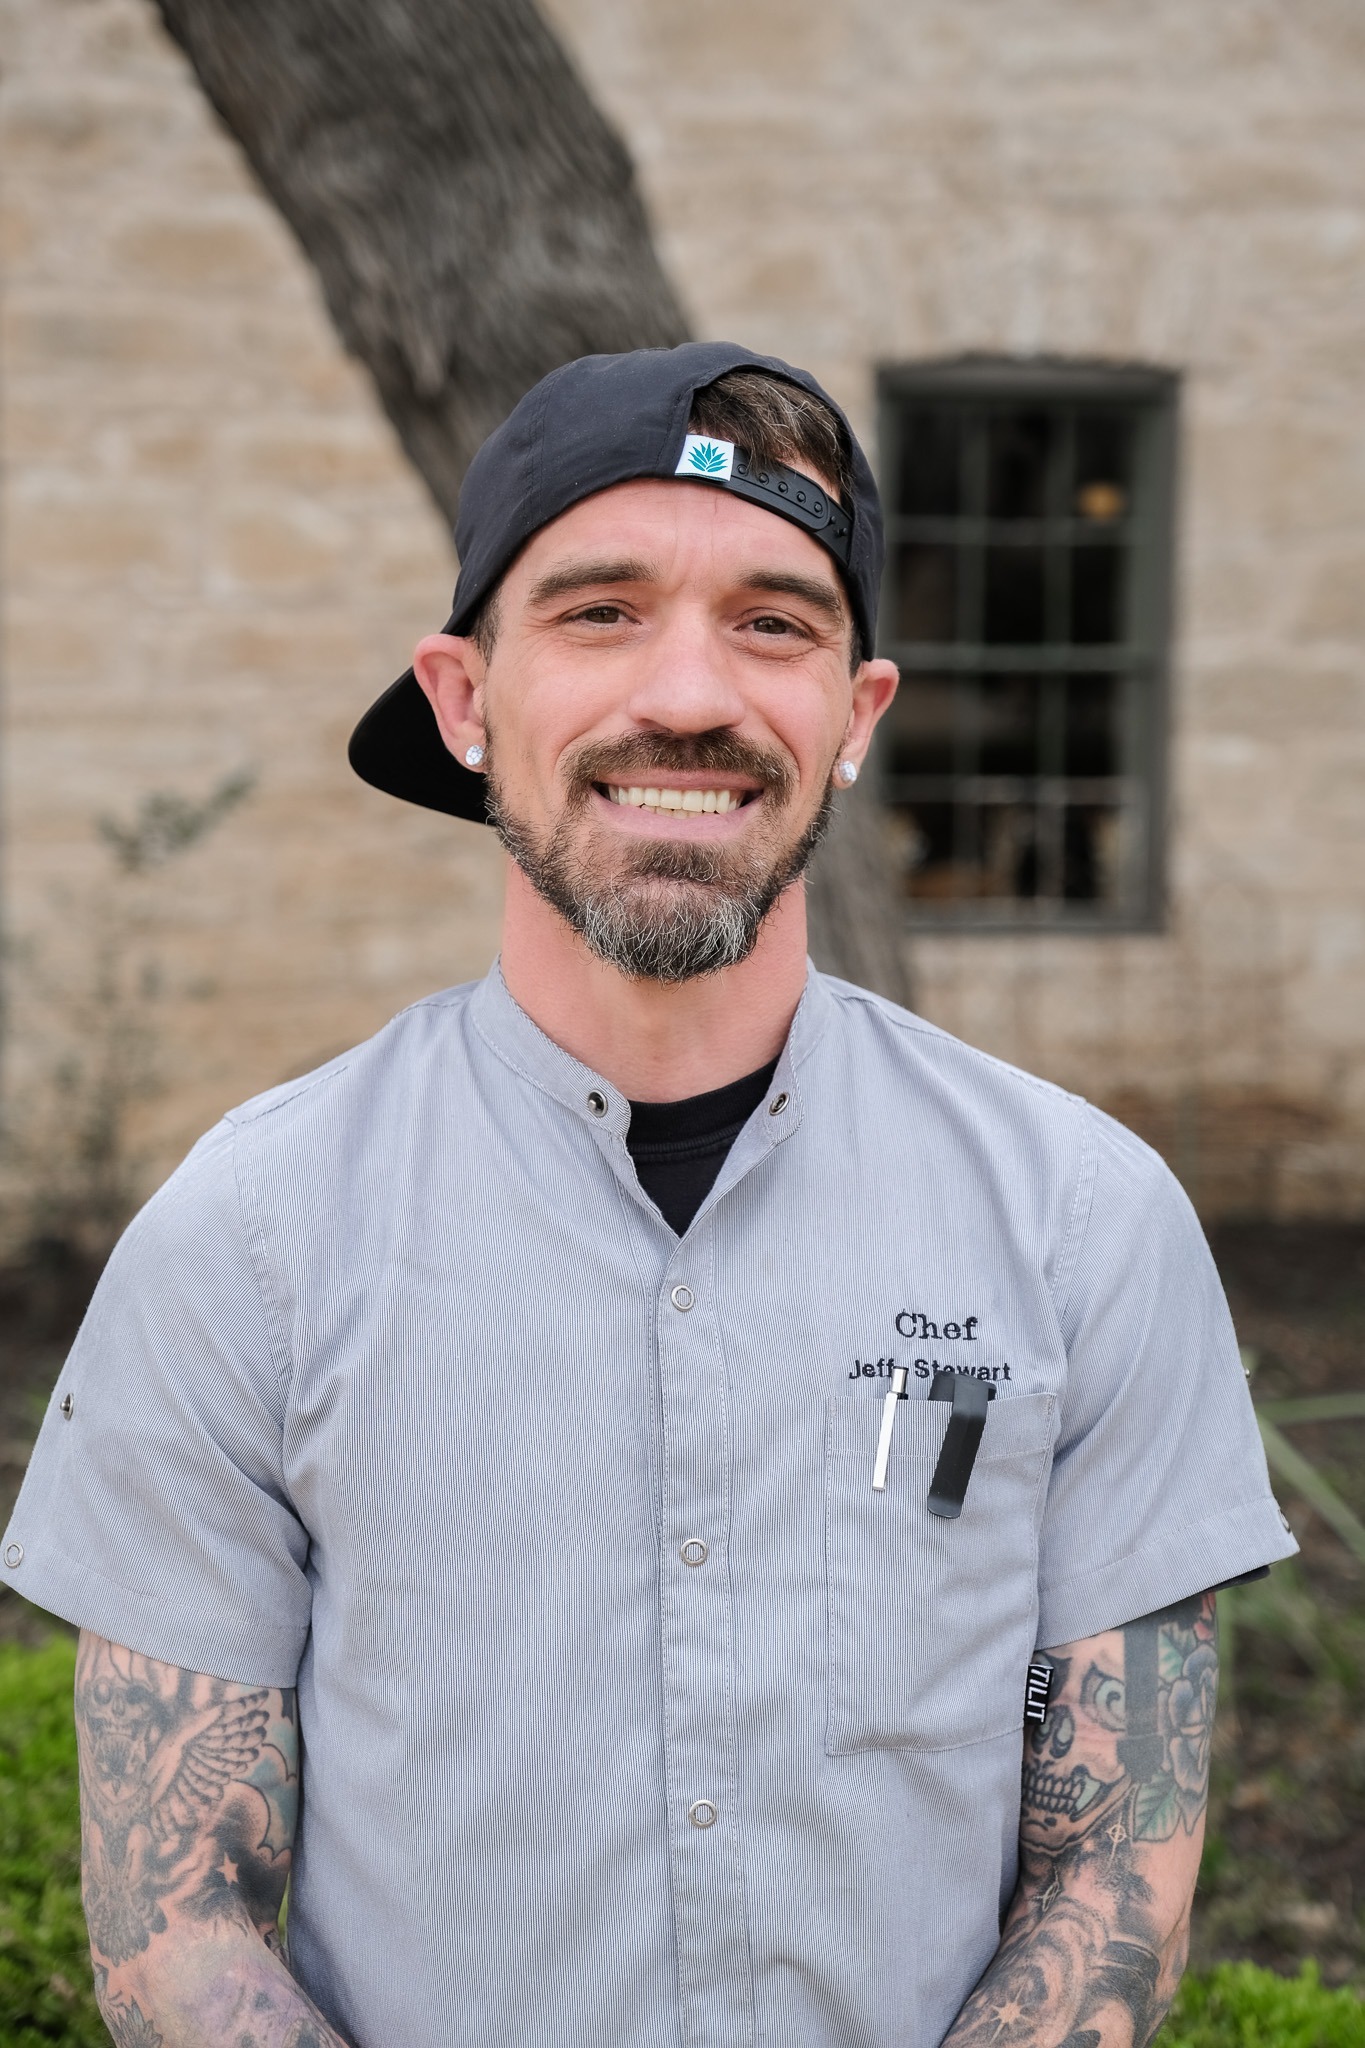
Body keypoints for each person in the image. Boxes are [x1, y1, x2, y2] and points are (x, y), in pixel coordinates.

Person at [4, 342, 1294, 2048]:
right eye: (599, 611)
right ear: (464, 699)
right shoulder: (249, 1238)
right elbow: (175, 1921)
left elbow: (1111, 1883)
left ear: (856, 714)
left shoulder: (1081, 1222)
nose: (689, 694)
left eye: (774, 622)